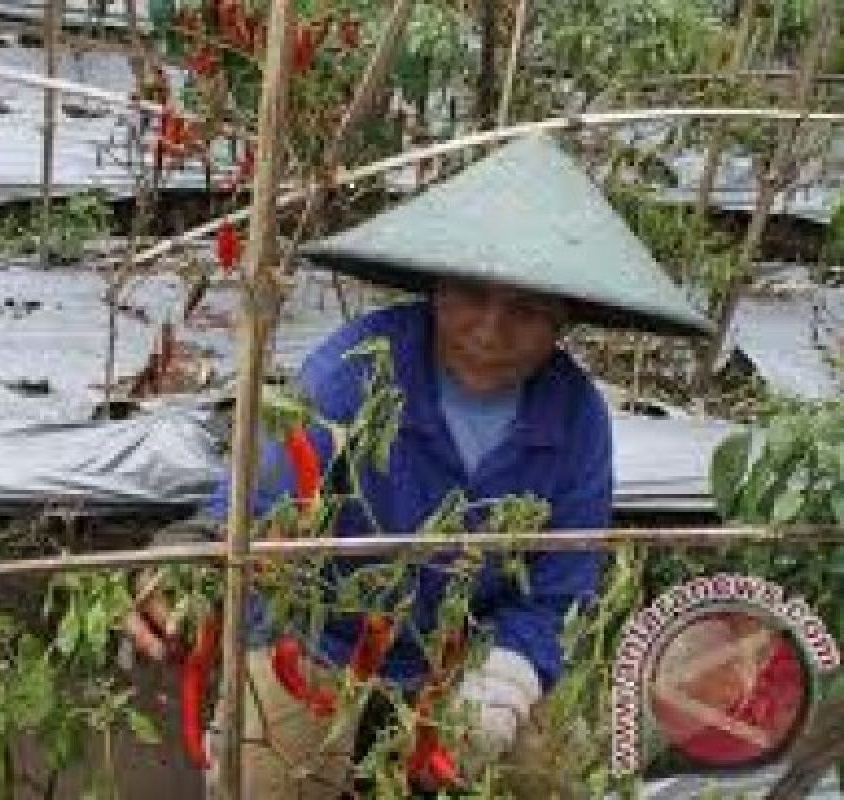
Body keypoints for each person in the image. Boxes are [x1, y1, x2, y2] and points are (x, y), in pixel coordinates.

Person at [124, 135, 712, 798]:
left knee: (534, 772)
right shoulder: (358, 367)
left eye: (527, 310)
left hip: (462, 653)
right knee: (267, 770)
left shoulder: (575, 419)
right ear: (435, 288)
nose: (490, 328)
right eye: (470, 295)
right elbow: (262, 505)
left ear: (563, 322)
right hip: (320, 639)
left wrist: (508, 675)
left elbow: (557, 587)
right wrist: (186, 557)